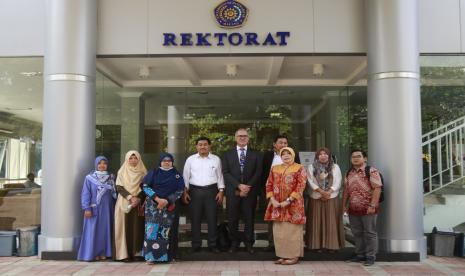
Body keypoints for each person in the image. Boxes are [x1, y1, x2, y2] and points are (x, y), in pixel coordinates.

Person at [222, 128, 262, 254]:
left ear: (248, 138)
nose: (242, 138)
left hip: (250, 192)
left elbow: (258, 172)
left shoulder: (256, 154)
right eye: (240, 136)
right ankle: (234, 242)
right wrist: (239, 186)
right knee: (232, 218)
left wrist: (247, 186)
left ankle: (249, 243)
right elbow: (225, 172)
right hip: (233, 192)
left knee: (249, 218)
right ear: (235, 138)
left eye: (245, 136)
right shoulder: (227, 154)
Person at [264, 147, 306, 265]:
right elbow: (269, 184)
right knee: (279, 232)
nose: (286, 156)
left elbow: (301, 185)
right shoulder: (275, 168)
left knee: (292, 231)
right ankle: (283, 255)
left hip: (293, 205)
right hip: (277, 205)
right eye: (283, 154)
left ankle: (293, 256)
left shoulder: (299, 168)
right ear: (280, 156)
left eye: (288, 153)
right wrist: (272, 200)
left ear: (293, 155)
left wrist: (288, 201)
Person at [183, 136, 225, 253]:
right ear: (196, 146)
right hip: (194, 192)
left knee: (212, 218)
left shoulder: (216, 159)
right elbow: (185, 176)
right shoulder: (190, 159)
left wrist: (221, 191)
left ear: (209, 146)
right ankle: (196, 244)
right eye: (200, 144)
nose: (203, 147)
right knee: (195, 219)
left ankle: (213, 244)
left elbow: (220, 176)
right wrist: (185, 192)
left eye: (205, 144)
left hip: (212, 191)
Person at [141, 153, 184, 263]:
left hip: (169, 205)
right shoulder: (154, 172)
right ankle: (151, 257)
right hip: (153, 206)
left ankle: (168, 257)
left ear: (172, 162)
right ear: (160, 162)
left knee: (167, 232)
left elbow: (180, 190)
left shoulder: (176, 174)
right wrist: (158, 199)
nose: (166, 162)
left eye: (169, 160)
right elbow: (145, 186)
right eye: (164, 160)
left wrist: (167, 200)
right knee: (152, 230)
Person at [342, 149, 382, 266]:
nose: (355, 158)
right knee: (357, 233)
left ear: (365, 158)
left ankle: (370, 256)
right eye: (353, 156)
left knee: (370, 233)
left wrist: (372, 205)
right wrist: (344, 205)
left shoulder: (371, 171)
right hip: (353, 209)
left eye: (358, 156)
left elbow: (377, 188)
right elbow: (346, 191)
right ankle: (360, 254)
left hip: (368, 208)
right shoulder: (349, 172)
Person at [261, 134, 300, 251]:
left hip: (290, 195)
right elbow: (263, 174)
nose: (283, 145)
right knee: (273, 219)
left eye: (285, 143)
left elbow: (299, 177)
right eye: (280, 142)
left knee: (288, 219)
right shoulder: (267, 156)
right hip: (272, 194)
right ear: (275, 144)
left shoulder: (294, 156)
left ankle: (287, 245)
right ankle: (272, 244)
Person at [77, 156, 117, 261]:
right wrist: (87, 208)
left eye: (104, 163)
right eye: (100, 163)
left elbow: (114, 194)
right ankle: (92, 253)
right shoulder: (89, 178)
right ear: (96, 165)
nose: (102, 165)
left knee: (105, 231)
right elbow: (85, 194)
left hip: (108, 210)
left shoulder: (111, 177)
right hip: (94, 209)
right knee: (92, 232)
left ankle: (104, 252)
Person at [306, 147, 344, 252]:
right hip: (316, 197)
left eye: (325, 154)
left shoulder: (335, 167)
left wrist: (328, 192)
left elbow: (338, 181)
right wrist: (321, 192)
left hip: (331, 198)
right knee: (316, 221)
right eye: (320, 154)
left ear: (329, 155)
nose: (323, 156)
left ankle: (331, 246)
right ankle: (316, 245)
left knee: (331, 221)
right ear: (317, 156)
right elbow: (309, 181)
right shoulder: (311, 167)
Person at [114, 150, 147, 261]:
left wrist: (138, 198)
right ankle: (124, 254)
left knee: (138, 227)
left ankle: (137, 253)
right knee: (124, 227)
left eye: (135, 158)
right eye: (131, 158)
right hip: (124, 202)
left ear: (139, 159)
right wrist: (130, 197)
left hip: (138, 203)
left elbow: (145, 187)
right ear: (127, 159)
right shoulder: (122, 171)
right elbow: (119, 187)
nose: (133, 160)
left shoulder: (143, 172)